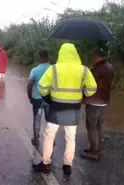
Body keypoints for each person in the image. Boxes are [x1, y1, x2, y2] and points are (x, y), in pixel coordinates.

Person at [33, 43, 97, 176]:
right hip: (73, 108)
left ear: (61, 54)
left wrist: (48, 98)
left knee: (49, 136)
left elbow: (42, 86)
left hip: (56, 107)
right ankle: (67, 166)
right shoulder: (84, 70)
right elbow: (92, 87)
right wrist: (83, 95)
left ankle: (45, 163)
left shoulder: (54, 69)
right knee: (70, 137)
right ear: (75, 54)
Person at [81, 48, 114, 161]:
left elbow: (89, 84)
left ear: (97, 56)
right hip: (103, 101)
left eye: (94, 57)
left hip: (94, 100)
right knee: (98, 124)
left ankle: (94, 152)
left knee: (92, 125)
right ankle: (96, 147)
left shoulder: (98, 69)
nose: (93, 59)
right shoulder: (110, 66)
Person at [27, 49, 51, 147]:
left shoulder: (35, 70)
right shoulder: (53, 69)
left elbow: (29, 85)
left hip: (37, 99)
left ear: (39, 57)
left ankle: (36, 139)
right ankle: (51, 140)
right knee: (50, 120)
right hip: (50, 99)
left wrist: (30, 97)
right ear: (47, 57)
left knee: (37, 120)